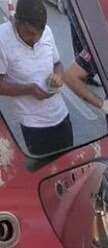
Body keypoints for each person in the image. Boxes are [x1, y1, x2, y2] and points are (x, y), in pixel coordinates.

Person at [0, 0, 71, 157]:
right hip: (34, 125)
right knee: (48, 168)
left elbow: (57, 64)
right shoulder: (2, 40)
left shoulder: (47, 32)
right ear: (17, 22)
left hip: (61, 115)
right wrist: (30, 89)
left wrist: (58, 77)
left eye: (40, 33)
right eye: (30, 33)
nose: (36, 38)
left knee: (70, 161)